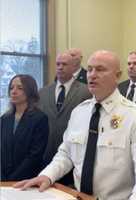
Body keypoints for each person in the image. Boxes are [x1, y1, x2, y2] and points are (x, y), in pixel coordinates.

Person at [14, 50, 136, 200]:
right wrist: (47, 175)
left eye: (100, 69)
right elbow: (65, 154)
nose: (92, 74)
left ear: (117, 76)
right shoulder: (79, 112)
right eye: (90, 69)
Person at [38, 52, 91, 184]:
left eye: (64, 64)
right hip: (46, 155)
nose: (60, 67)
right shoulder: (44, 92)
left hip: (74, 157)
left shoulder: (86, 91)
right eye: (58, 64)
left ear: (74, 67)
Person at [0, 74, 49, 181]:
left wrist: (13, 178)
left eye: (20, 88)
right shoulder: (5, 118)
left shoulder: (40, 119)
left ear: (30, 91)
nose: (14, 91)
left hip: (28, 180)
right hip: (4, 180)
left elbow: (35, 156)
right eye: (11, 88)